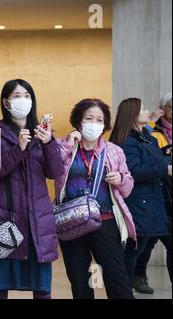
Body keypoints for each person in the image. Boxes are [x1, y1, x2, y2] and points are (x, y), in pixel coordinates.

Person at [0, 79, 63, 299]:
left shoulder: (41, 132)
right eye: (17, 96)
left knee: (42, 288)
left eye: (27, 95)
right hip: (4, 217)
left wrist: (49, 142)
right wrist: (19, 149)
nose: (23, 100)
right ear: (6, 102)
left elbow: (55, 172)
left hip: (37, 219)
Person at [55, 98, 136, 299]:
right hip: (71, 223)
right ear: (78, 121)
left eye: (99, 119)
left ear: (105, 123)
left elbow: (128, 188)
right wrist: (66, 145)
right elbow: (51, 170)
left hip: (105, 222)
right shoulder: (65, 147)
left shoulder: (114, 151)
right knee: (80, 282)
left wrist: (121, 179)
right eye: (89, 118)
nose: (94, 123)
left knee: (117, 280)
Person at [109, 98, 172, 288]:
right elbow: (135, 171)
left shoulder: (146, 137)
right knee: (134, 249)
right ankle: (125, 287)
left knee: (140, 247)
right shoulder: (128, 142)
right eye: (143, 108)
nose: (147, 111)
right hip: (139, 203)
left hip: (153, 201)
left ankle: (128, 285)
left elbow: (153, 162)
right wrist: (166, 169)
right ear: (132, 114)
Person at [133, 92, 172, 294]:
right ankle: (138, 277)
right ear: (163, 110)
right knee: (146, 243)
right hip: (155, 195)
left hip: (168, 195)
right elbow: (143, 148)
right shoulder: (151, 131)